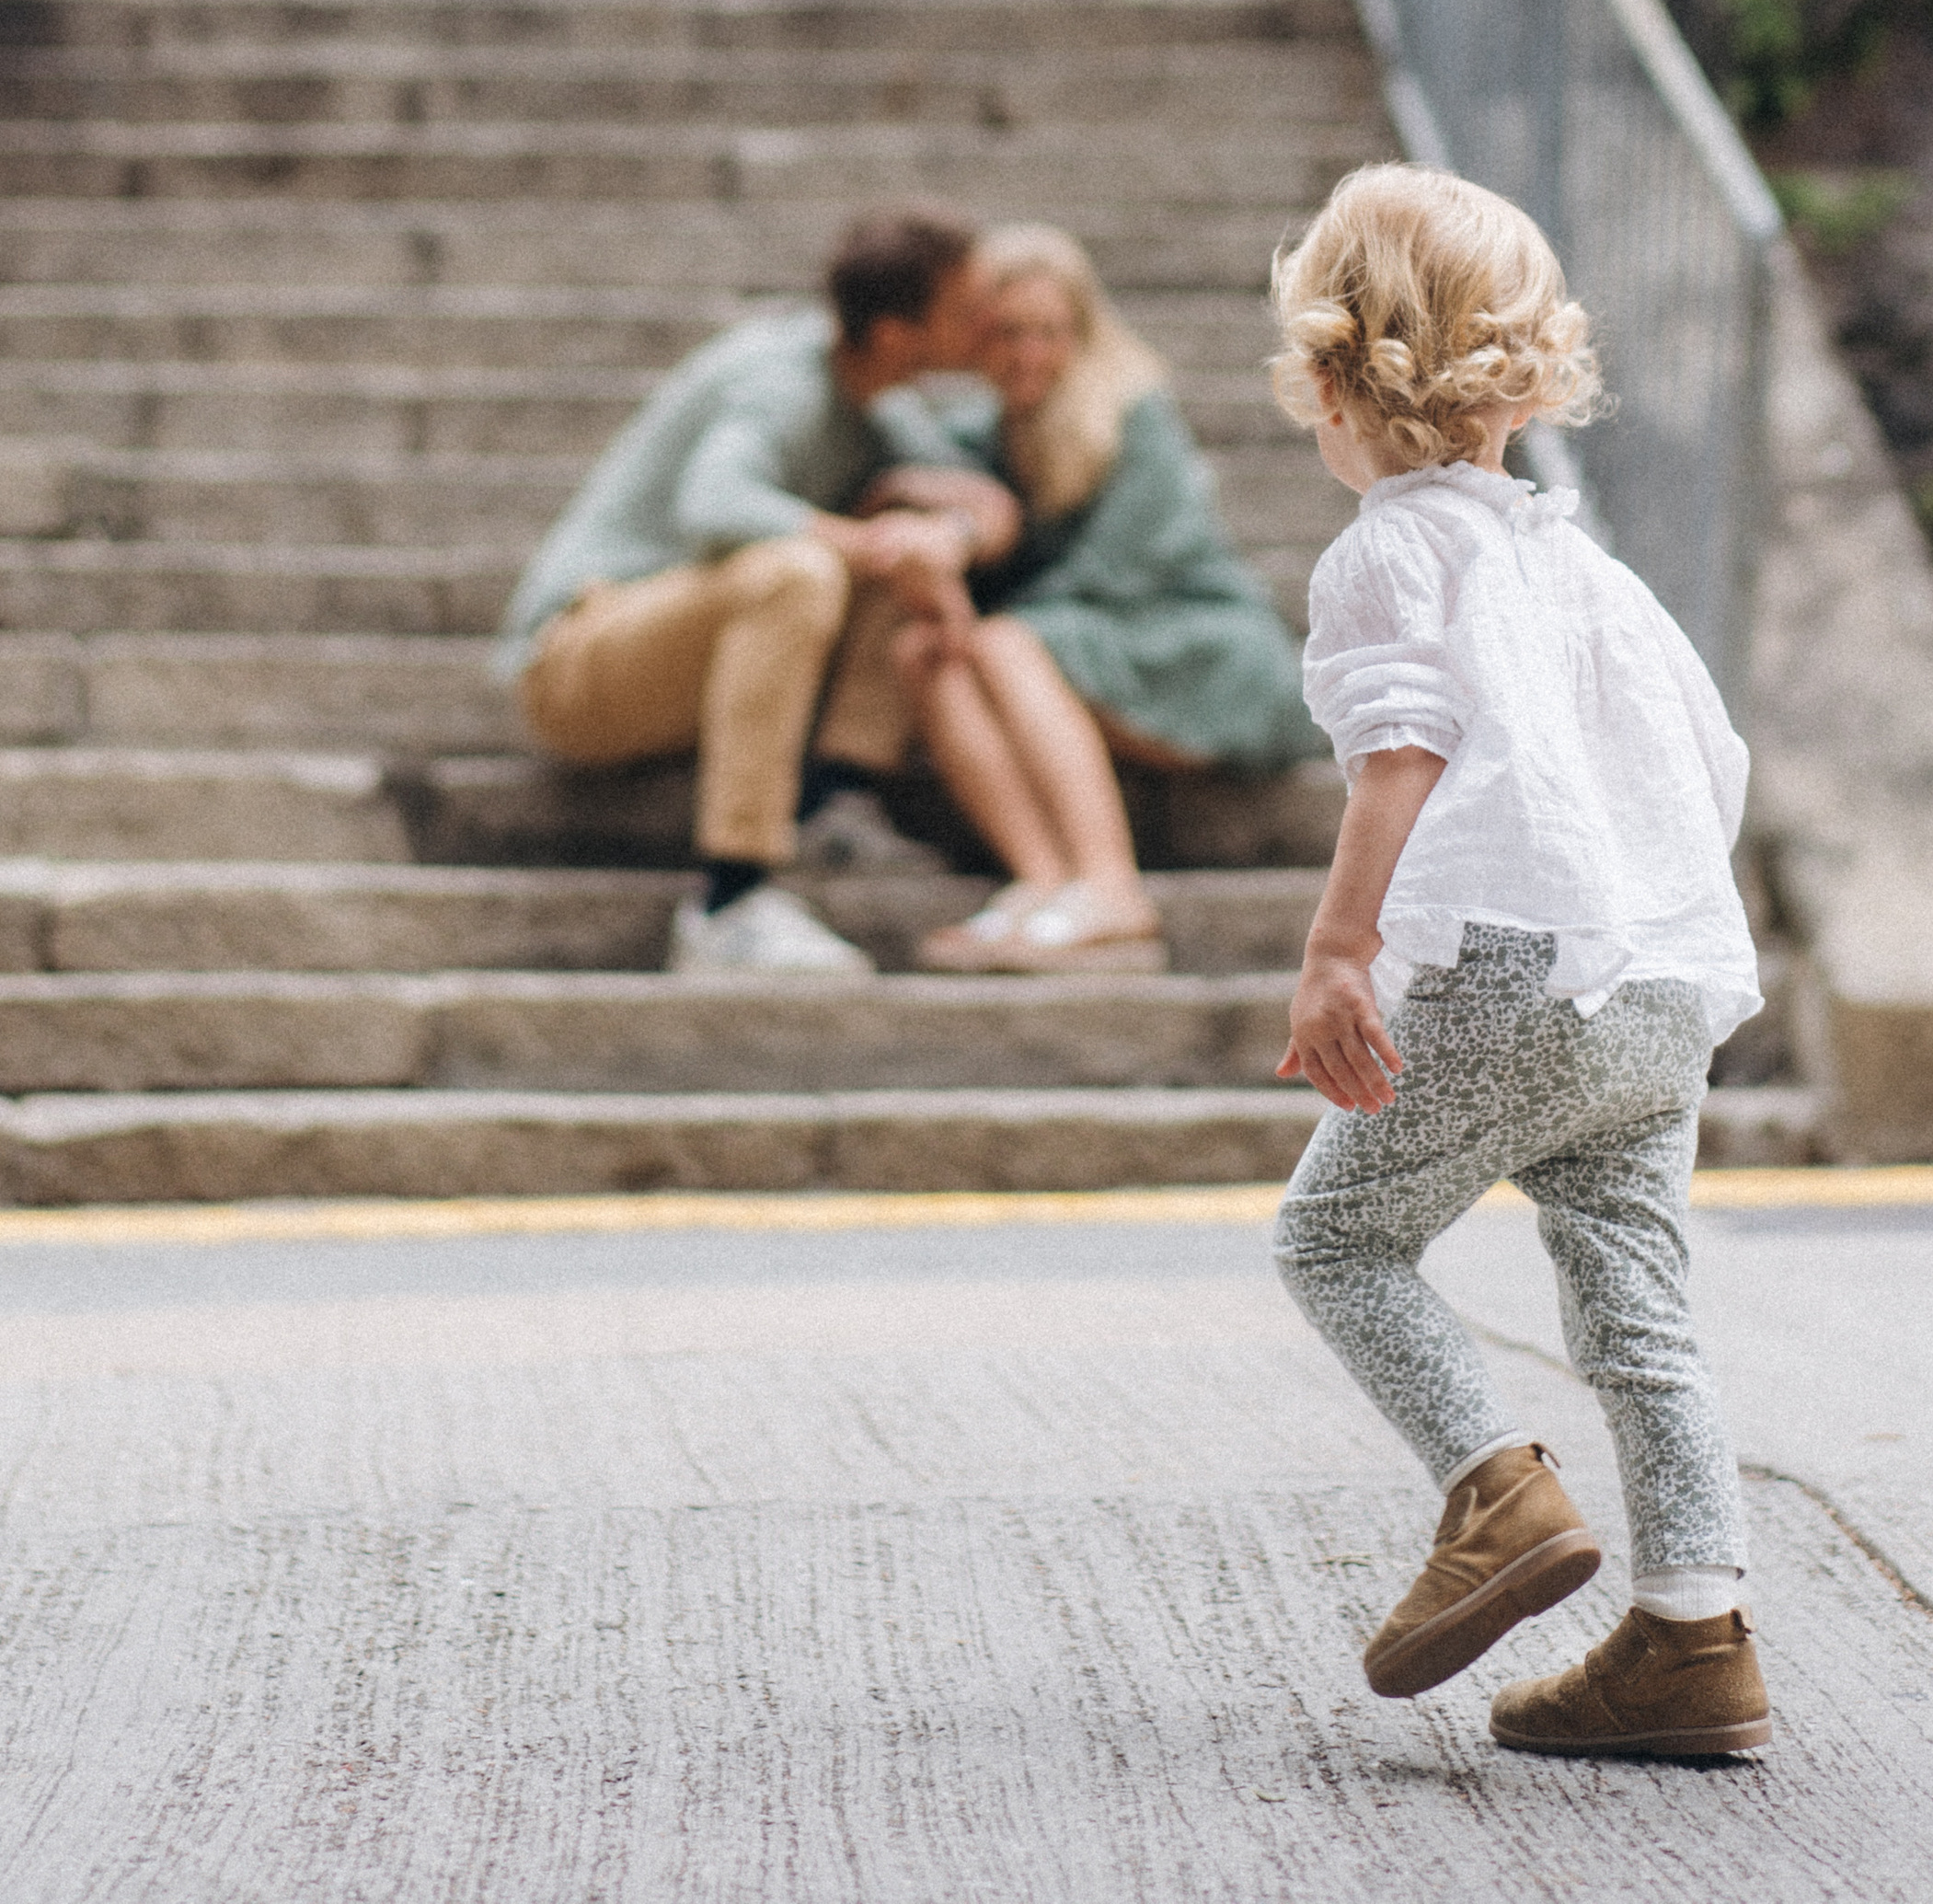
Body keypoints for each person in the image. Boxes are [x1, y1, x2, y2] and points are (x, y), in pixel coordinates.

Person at [1264, 162, 1773, 1761]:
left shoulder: (1389, 552)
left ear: (1334, 378)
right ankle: (1697, 1637)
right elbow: (1718, 763)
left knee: (1338, 1241)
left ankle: (1496, 1496)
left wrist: (1342, 949)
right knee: (1643, 1320)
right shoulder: (1589, 570)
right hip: (1665, 980)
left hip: (1508, 973)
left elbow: (1398, 751)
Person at [495, 203, 1020, 978]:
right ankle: (728, 903)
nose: (989, 323)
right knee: (797, 568)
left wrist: (947, 539)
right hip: (579, 657)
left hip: (695, 665)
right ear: (897, 335)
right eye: (968, 311)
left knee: (897, 543)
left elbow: (980, 495)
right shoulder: (781, 378)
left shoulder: (877, 402)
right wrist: (873, 545)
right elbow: (715, 504)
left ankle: (832, 806)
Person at [898, 223, 1320, 975]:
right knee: (925, 654)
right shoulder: (982, 436)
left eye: (1049, 333)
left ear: (1082, 332)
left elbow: (1115, 575)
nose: (1028, 354)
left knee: (998, 641)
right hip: (1087, 650)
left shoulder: (1130, 413)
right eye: (1007, 334)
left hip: (1200, 649)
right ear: (973, 339)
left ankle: (1112, 889)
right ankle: (1041, 882)